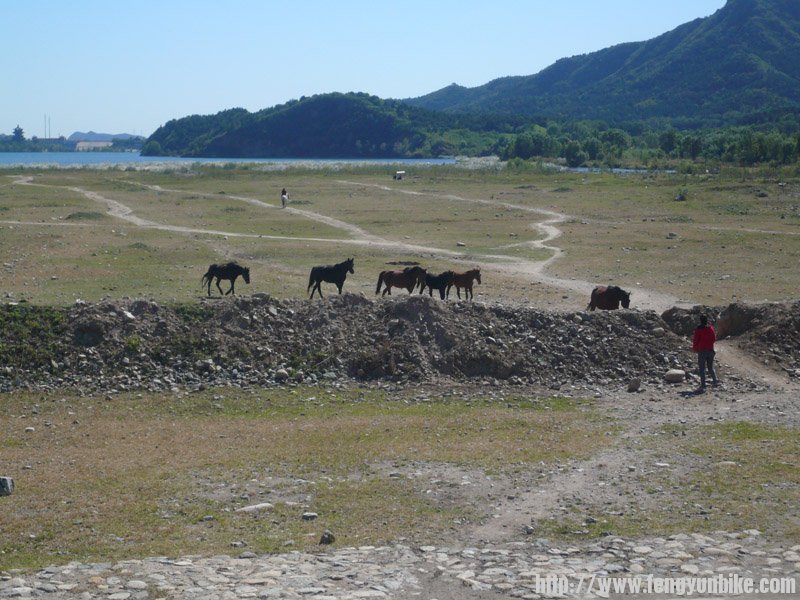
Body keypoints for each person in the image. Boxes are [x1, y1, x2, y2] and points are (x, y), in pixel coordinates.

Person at [692, 314, 718, 390]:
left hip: (702, 351)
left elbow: (695, 340)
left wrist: (695, 348)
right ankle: (715, 382)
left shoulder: (699, 329)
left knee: (702, 369)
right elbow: (714, 339)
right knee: (710, 367)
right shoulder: (711, 328)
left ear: (700, 320)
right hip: (710, 350)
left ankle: (703, 385)